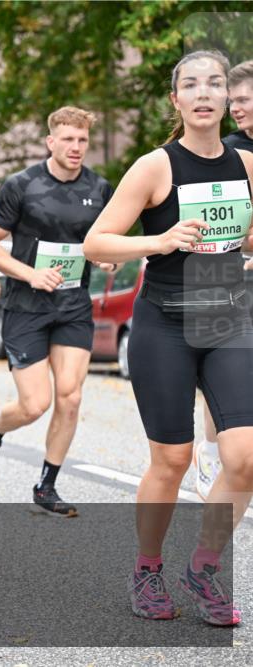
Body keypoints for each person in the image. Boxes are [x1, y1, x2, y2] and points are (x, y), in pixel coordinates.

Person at [83, 50, 251, 626]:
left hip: (228, 317)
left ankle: (203, 568)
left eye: (215, 84)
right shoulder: (156, 166)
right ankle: (148, 569)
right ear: (176, 100)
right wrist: (159, 241)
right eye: (191, 85)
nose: (204, 94)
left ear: (228, 100)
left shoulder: (247, 165)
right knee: (173, 458)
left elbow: (247, 242)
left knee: (246, 458)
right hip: (166, 322)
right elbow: (97, 243)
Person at [0, 106, 116, 517]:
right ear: (50, 141)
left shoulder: (99, 188)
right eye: (67, 139)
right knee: (35, 404)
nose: (75, 147)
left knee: (69, 398)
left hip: (72, 305)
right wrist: (30, 274)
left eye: (82, 140)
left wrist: (105, 260)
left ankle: (46, 485)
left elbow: (101, 241)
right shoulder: (22, 185)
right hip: (26, 305)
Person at [194, 58, 253, 496]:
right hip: (232, 281)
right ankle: (211, 449)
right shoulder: (229, 151)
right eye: (233, 101)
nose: (237, 108)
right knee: (230, 373)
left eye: (245, 100)